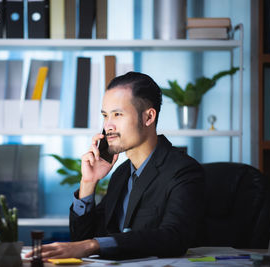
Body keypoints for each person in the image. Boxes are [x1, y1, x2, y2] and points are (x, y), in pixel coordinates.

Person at [26, 72, 205, 260]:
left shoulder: (183, 171)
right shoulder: (121, 174)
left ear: (148, 117)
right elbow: (83, 241)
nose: (108, 126)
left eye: (118, 114)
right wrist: (88, 181)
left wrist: (92, 244)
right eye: (105, 116)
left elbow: (174, 238)